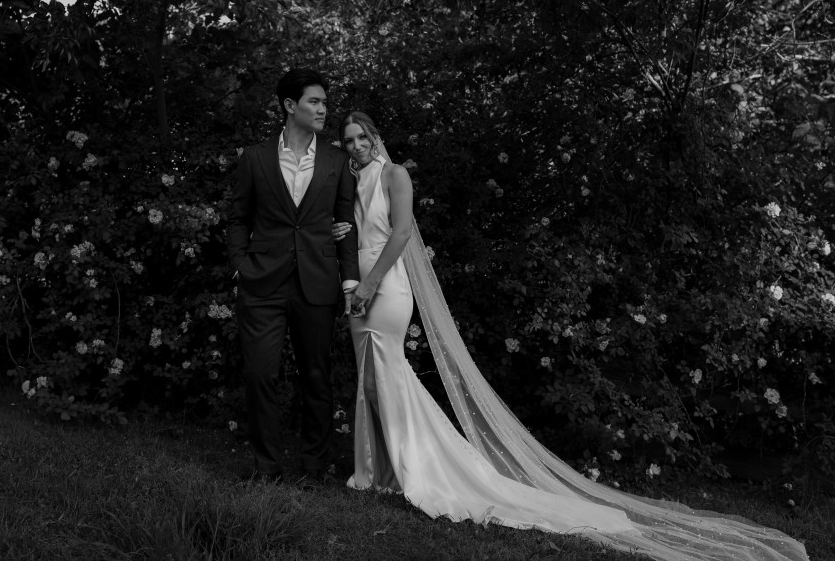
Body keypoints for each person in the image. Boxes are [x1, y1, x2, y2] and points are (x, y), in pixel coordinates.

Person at [333, 110, 810, 561]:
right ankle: (381, 470)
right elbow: (353, 231)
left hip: (386, 285)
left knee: (386, 372)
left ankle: (415, 471)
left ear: (375, 137)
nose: (356, 146)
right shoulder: (351, 181)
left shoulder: (395, 175)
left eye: (362, 137)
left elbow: (400, 234)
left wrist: (371, 283)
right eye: (348, 140)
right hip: (358, 284)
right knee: (371, 379)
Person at [225, 68, 360, 488]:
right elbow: (237, 218)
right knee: (260, 374)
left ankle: (314, 466)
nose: (323, 109)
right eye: (314, 102)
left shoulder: (337, 161)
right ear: (289, 105)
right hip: (262, 282)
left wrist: (350, 280)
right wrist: (239, 264)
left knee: (316, 376)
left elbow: (346, 226)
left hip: (317, 281)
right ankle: (267, 466)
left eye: (324, 102)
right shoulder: (255, 157)